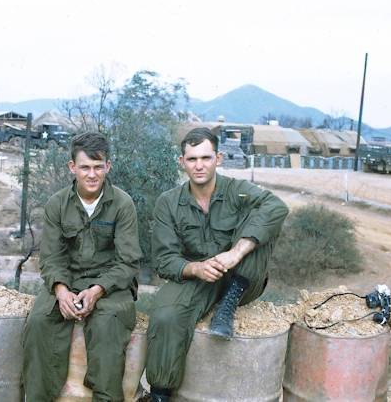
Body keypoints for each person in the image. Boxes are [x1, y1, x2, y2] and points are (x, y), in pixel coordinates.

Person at [144, 127, 289, 402]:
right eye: (192, 159)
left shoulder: (237, 191)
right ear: (182, 162)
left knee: (262, 221)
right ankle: (161, 393)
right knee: (165, 317)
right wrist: (195, 268)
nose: (199, 165)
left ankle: (228, 305)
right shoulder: (169, 202)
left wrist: (236, 252)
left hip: (243, 277)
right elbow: (164, 260)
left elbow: (277, 207)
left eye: (206, 158)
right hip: (200, 277)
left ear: (218, 158)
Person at [22, 131, 142, 402]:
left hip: (111, 284)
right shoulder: (57, 204)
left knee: (107, 325)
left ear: (108, 167)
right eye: (85, 167)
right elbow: (51, 258)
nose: (92, 174)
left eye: (98, 167)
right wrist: (62, 292)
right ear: (72, 167)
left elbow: (128, 262)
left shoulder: (122, 204)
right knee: (39, 322)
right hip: (68, 279)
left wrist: (97, 291)